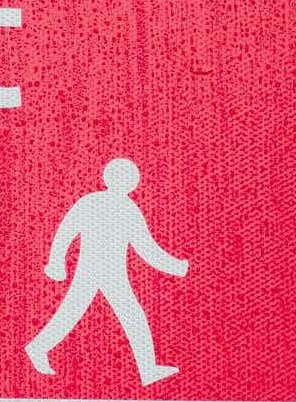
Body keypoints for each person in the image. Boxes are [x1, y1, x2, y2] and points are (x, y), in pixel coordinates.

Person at [24, 158, 187, 385]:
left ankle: (38, 347)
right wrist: (178, 267)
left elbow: (144, 247)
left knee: (79, 312)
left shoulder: (99, 203)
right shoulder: (116, 207)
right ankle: (148, 369)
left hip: (104, 272)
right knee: (126, 314)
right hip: (101, 272)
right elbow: (146, 249)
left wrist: (57, 262)